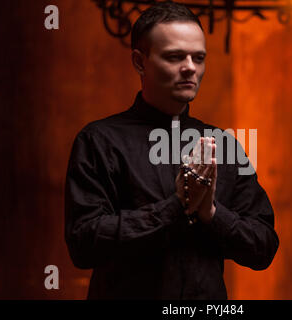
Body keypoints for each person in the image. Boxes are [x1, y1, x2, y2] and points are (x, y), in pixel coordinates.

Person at [65, 1, 279, 299]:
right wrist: (177, 206)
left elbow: (264, 247)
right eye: (175, 56)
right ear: (140, 62)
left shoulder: (224, 145)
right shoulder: (99, 141)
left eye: (199, 57)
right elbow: (84, 244)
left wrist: (211, 213)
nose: (190, 67)